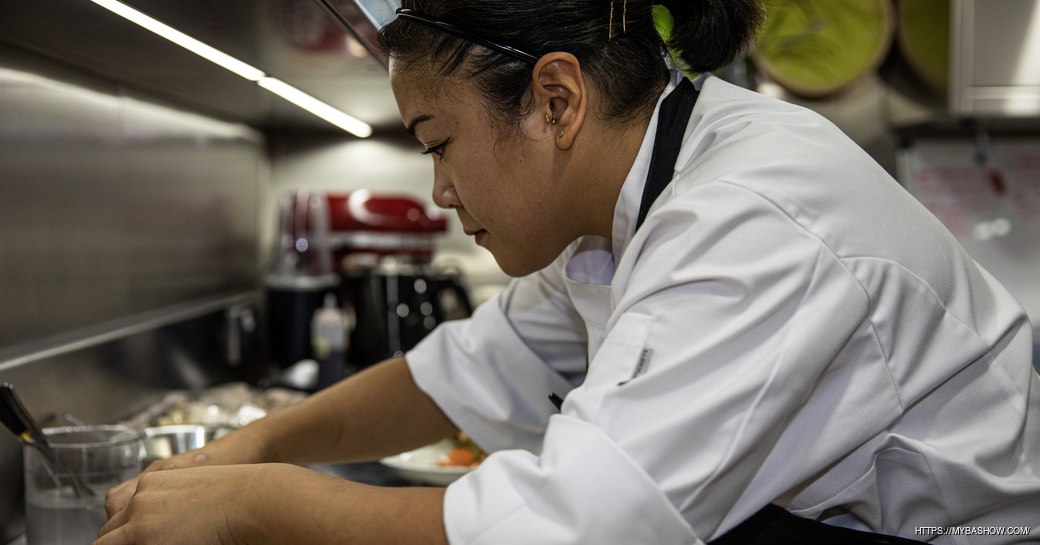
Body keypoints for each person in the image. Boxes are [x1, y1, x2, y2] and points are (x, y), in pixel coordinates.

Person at [97, 0, 1040, 544]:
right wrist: (248, 448)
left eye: (439, 143)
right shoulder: (625, 207)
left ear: (555, 98)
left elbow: (578, 528)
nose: (437, 192)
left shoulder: (747, 218)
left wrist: (260, 505)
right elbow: (458, 372)